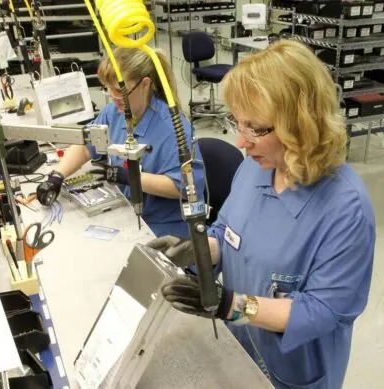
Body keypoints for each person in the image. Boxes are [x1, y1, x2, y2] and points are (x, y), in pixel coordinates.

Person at [150, 40, 376, 389]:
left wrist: (231, 305)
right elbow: (228, 232)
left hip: (293, 370)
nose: (241, 142)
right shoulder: (256, 168)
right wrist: (197, 250)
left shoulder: (345, 208)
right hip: (238, 347)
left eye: (255, 129)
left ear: (301, 124)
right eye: (237, 123)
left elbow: (322, 311)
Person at [36, 47, 206, 238]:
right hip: (126, 213)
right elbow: (87, 144)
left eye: (119, 90)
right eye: (108, 88)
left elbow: (184, 187)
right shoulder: (115, 112)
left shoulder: (173, 128)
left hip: (163, 228)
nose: (112, 97)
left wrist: (128, 177)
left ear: (145, 84)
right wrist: (57, 176)